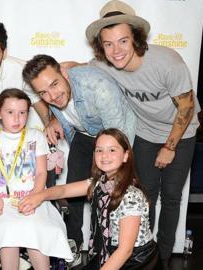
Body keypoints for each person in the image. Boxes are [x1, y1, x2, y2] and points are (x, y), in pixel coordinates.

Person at [85, 1, 200, 268]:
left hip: (181, 133)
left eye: (123, 41)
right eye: (109, 44)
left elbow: (186, 105)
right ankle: (141, 252)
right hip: (146, 133)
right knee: (145, 193)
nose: (116, 50)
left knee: (171, 196)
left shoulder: (167, 61)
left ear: (136, 37)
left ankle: (165, 255)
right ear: (101, 46)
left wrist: (170, 147)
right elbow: (75, 71)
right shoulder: (105, 65)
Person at [22, 54, 136, 263]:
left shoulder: (99, 87)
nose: (52, 96)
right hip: (84, 135)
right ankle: (74, 242)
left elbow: (117, 135)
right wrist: (52, 121)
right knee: (74, 187)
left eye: (55, 84)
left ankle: (114, 249)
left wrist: (108, 161)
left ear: (65, 73)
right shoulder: (54, 94)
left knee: (111, 192)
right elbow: (68, 125)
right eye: (43, 93)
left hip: (115, 135)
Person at [19, 128, 158, 269]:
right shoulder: (100, 183)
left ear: (125, 156)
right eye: (99, 150)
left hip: (136, 261)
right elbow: (63, 190)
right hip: (109, 251)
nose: (104, 155)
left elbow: (125, 250)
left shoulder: (131, 196)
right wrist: (39, 196)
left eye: (112, 150)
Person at [0, 88, 73, 270]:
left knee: (35, 227)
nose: (17, 119)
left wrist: (34, 198)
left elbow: (42, 173)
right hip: (2, 202)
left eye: (22, 113)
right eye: (10, 112)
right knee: (8, 229)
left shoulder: (35, 137)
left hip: (35, 199)